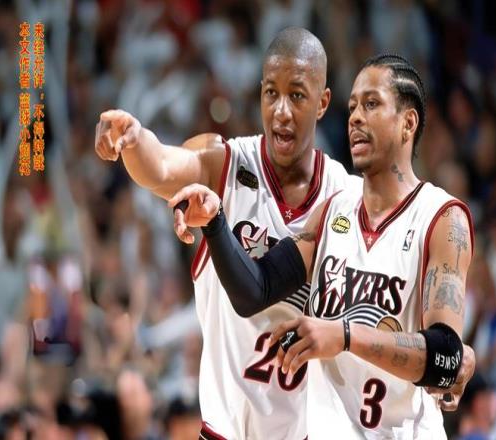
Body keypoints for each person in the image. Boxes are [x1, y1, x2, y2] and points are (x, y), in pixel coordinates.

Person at [168, 54, 476, 439]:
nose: (356, 118)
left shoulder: (442, 218)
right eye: (353, 106)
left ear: (407, 123)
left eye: (372, 104)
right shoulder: (332, 213)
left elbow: (447, 358)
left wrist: (343, 336)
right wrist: (216, 222)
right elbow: (253, 292)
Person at [95, 27, 363, 439]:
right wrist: (134, 139)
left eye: (297, 95)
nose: (281, 110)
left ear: (323, 102)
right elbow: (162, 166)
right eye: (271, 93)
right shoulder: (224, 162)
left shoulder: (345, 196)